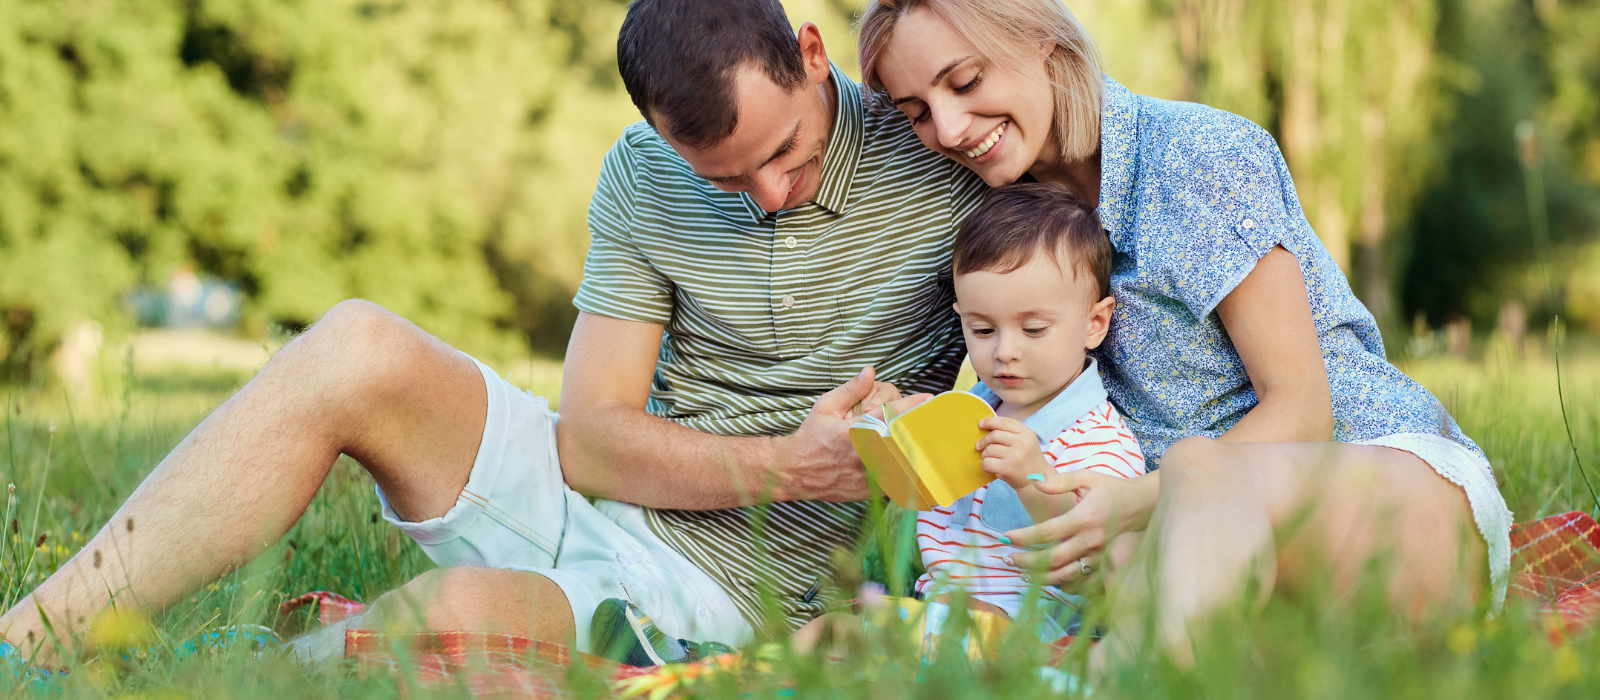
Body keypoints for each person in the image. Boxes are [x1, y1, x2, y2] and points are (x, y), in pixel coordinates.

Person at [0, 0, 989, 667]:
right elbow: (590, 442)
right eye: (723, 178)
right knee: (354, 342)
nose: (767, 195)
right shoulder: (643, 173)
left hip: (726, 587)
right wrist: (787, 462)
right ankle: (32, 644)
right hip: (603, 490)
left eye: (785, 154)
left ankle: (235, 673)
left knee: (455, 620)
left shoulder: (942, 164)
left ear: (811, 53)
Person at [858, 0, 1513, 665]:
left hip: (1381, 489)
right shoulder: (1004, 217)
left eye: (965, 82)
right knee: (1128, 552)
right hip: (1203, 549)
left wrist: (1139, 499)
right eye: (916, 111)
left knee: (1195, 470)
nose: (947, 126)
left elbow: (1302, 406)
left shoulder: (1196, 156)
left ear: (1041, 40)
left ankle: (1107, 681)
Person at [912, 182, 1145, 637]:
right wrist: (897, 432)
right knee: (831, 628)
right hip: (937, 609)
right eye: (981, 330)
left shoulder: (1099, 441)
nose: (1005, 352)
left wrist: (1032, 479)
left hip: (1035, 629)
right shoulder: (967, 412)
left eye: (1033, 329)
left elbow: (1100, 559)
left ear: (1094, 323)